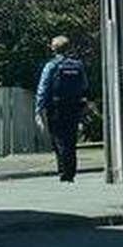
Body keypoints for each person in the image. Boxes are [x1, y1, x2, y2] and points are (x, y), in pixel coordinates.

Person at [36, 36, 86, 183]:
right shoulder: (78, 65)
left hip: (56, 106)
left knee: (58, 138)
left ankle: (64, 171)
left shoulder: (51, 66)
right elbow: (84, 86)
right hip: (74, 106)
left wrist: (39, 109)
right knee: (71, 139)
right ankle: (70, 170)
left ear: (53, 49)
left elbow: (43, 88)